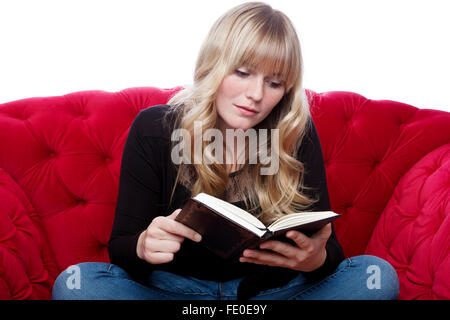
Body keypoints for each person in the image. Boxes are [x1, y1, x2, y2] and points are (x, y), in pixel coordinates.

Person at [52, 2, 399, 300]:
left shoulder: (295, 131)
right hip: (174, 291)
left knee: (376, 276)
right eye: (243, 72)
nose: (256, 94)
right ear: (213, 66)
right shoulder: (155, 127)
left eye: (274, 82)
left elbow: (329, 248)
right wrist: (143, 245)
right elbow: (121, 247)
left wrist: (315, 260)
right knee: (75, 284)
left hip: (269, 295)